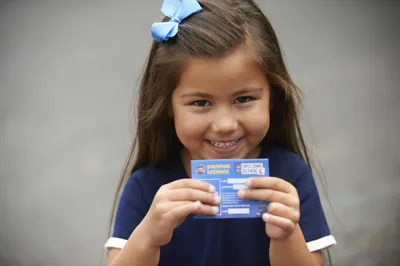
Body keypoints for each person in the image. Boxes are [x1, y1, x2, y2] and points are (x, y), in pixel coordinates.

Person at [104, 0, 336, 265]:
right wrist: (147, 236)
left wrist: (286, 235)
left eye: (244, 99)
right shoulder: (147, 187)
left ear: (272, 97)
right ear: (168, 105)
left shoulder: (288, 177)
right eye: (201, 103)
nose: (225, 124)